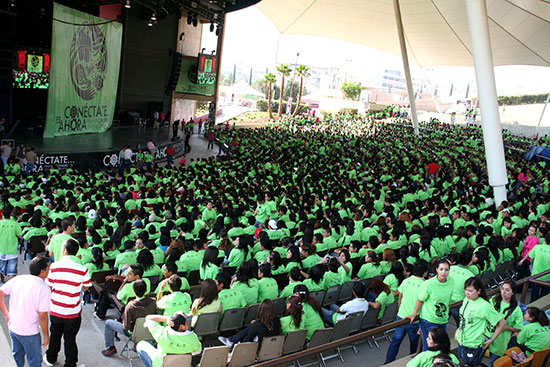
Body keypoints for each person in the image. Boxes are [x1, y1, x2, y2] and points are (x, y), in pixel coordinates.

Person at [43, 238, 91, 367]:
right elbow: (87, 286)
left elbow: (49, 284)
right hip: (73, 311)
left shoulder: (54, 267)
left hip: (56, 309)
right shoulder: (82, 269)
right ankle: (70, 364)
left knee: (55, 335)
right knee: (70, 339)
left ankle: (51, 358)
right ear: (76, 252)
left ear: (64, 251)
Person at [0, 257, 51, 367]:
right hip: (30, 332)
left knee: (17, 358)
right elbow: (43, 316)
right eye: (48, 268)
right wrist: (46, 335)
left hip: (13, 328)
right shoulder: (44, 289)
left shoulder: (19, 279)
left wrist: (6, 313)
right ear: (42, 272)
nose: (50, 270)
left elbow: (1, 292)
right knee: (35, 361)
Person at [456, 277, 506, 367]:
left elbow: (502, 323)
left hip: (473, 345)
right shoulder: (466, 300)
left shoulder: (485, 306)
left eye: (471, 291)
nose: (467, 293)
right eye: (466, 290)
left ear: (479, 291)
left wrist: (492, 339)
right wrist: (458, 330)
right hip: (462, 341)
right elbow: (464, 318)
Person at [385, 260, 428, 364]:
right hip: (415, 319)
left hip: (401, 317)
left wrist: (401, 310)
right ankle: (413, 363)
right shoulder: (426, 285)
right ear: (425, 272)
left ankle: (388, 363)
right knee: (414, 344)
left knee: (396, 340)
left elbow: (400, 298)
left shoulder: (406, 281)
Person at [407, 259, 454, 352]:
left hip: (443, 319)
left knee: (441, 346)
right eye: (441, 269)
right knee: (429, 347)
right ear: (436, 269)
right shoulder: (428, 284)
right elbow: (420, 300)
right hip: (429, 320)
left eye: (446, 269)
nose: (443, 272)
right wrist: (414, 314)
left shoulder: (451, 281)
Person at [101, 279, 157, 357]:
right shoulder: (153, 302)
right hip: (149, 332)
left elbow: (126, 327)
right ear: (146, 290)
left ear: (134, 291)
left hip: (134, 334)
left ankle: (110, 348)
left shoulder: (130, 306)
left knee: (108, 323)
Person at [137, 312, 202, 367]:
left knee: (140, 345)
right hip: (182, 365)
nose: (188, 323)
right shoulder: (192, 337)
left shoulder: (161, 333)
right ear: (181, 327)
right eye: (187, 322)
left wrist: (165, 319)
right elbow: (197, 351)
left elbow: (149, 318)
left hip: (161, 365)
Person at [488, 281, 523, 367]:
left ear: (513, 293)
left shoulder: (516, 310)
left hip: (500, 341)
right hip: (486, 335)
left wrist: (506, 327)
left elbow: (518, 328)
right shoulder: (494, 300)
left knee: (493, 364)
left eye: (507, 290)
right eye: (502, 289)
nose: (503, 292)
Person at [0, 205, 22, 282]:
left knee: (0, 269)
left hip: (1, 250)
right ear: (11, 213)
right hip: (12, 250)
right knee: (12, 271)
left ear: (2, 213)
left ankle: (2, 283)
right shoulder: (15, 224)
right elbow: (19, 235)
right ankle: (11, 286)